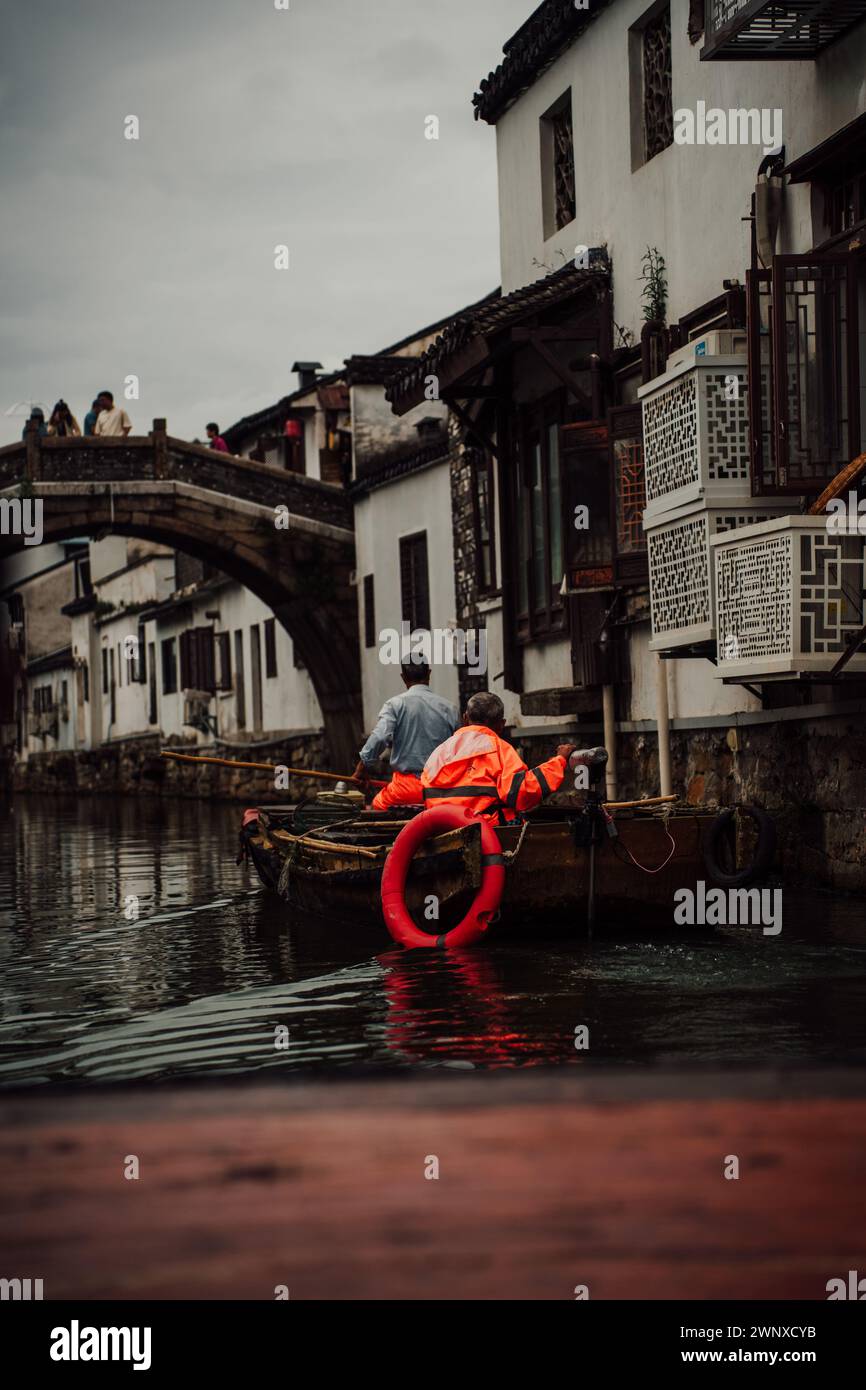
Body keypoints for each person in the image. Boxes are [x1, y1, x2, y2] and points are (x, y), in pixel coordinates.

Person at [420, 690, 576, 823]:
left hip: (439, 828)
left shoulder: (439, 752)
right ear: (501, 724)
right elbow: (524, 793)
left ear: (465, 718)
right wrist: (559, 761)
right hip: (487, 835)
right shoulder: (500, 750)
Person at [353, 661, 459, 811]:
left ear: (403, 677)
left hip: (405, 790)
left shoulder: (395, 705)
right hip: (441, 790)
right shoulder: (450, 708)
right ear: (429, 673)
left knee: (376, 806)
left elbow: (379, 737)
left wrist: (361, 769)